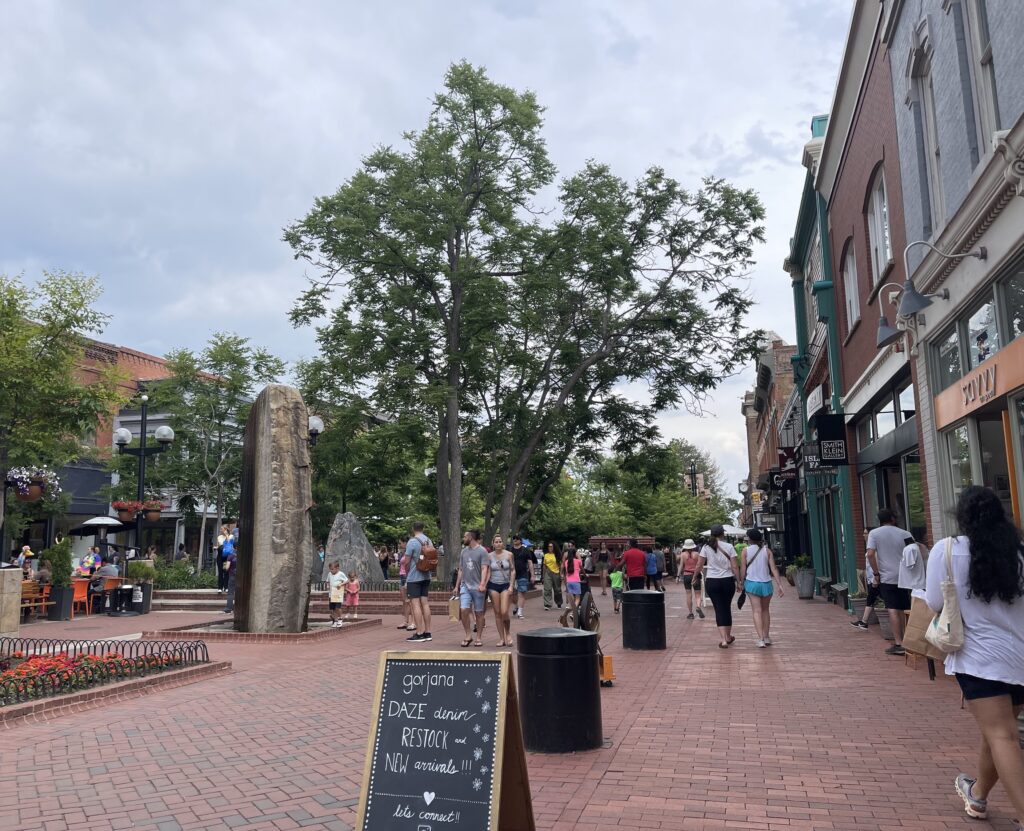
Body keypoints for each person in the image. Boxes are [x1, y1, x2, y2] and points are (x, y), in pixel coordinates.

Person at [925, 486, 1024, 827]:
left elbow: (936, 604)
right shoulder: (1019, 553)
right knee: (998, 732)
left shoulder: (948, 550)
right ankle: (978, 794)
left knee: (1002, 736)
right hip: (1019, 658)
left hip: (980, 659)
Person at [866, 508, 914, 656]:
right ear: (893, 518)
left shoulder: (874, 533)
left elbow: (870, 554)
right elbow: (914, 550)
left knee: (892, 608)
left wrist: (876, 573)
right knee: (905, 608)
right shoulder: (905, 533)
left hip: (887, 576)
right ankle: (909, 640)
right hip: (905, 575)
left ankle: (899, 643)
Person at [738, 528, 784, 648]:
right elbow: (773, 568)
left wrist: (740, 582)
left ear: (749, 539)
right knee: (765, 610)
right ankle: (767, 636)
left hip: (752, 583)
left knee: (756, 611)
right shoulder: (767, 551)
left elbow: (743, 568)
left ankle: (761, 639)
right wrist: (779, 584)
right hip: (766, 583)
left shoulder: (745, 551)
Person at [694, 525, 739, 648]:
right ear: (722, 534)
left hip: (712, 581)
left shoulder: (706, 547)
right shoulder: (729, 547)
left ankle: (724, 639)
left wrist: (694, 577)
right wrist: (739, 581)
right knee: (726, 607)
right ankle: (728, 636)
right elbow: (735, 566)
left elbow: (699, 564)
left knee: (718, 608)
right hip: (727, 580)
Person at [455, 530, 488, 647]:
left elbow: (485, 568)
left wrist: (482, 583)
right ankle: (468, 635)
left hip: (478, 587)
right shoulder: (464, 552)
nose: (463, 538)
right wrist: (457, 585)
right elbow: (461, 569)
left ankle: (478, 637)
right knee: (464, 609)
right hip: (465, 586)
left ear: (471, 537)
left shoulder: (482, 551)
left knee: (479, 613)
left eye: (465, 536)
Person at [402, 521, 434, 642]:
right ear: (423, 528)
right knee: (425, 603)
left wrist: (406, 573)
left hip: (414, 577)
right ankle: (428, 631)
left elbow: (407, 561)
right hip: (427, 575)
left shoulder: (412, 541)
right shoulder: (428, 540)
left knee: (415, 604)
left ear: (413, 528)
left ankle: (419, 632)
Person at [486, 535, 514, 647]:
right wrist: (484, 584)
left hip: (505, 585)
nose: (498, 543)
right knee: (497, 613)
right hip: (493, 585)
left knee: (504, 612)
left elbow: (513, 570)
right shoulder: (489, 556)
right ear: (493, 544)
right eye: (496, 542)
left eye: (500, 541)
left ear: (503, 543)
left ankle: (508, 633)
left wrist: (511, 585)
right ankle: (501, 638)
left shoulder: (509, 554)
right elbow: (487, 571)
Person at [677, 539, 705, 620]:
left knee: (688, 595)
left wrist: (678, 576)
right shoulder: (697, 554)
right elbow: (700, 566)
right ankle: (698, 607)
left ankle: (690, 613)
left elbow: (681, 566)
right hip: (695, 575)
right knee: (698, 594)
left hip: (686, 576)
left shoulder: (682, 555)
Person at [850, 558, 879, 630]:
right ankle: (864, 621)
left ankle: (864, 621)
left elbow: (877, 564)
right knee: (871, 599)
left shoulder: (874, 551)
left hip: (875, 580)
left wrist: (875, 579)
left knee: (871, 599)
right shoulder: (871, 550)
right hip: (872, 580)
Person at [511, 535, 532, 620]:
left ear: (520, 540)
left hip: (523, 574)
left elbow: (530, 562)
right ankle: (516, 606)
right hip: (512, 575)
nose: (514, 541)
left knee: (521, 593)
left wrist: (533, 575)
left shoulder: (525, 550)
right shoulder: (510, 550)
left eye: (516, 539)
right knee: (513, 594)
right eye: (513, 539)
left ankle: (520, 612)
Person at [396, 536, 414, 632]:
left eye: (401, 543)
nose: (400, 545)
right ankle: (406, 621)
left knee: (410, 601)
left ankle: (413, 622)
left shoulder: (410, 552)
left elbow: (411, 566)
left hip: (408, 577)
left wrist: (408, 580)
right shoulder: (403, 553)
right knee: (404, 601)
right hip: (402, 576)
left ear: (406, 543)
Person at [562, 546, 583, 615]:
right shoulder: (577, 561)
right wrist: (578, 555)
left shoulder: (566, 562)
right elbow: (581, 566)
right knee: (577, 599)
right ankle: (572, 612)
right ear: (575, 554)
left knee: (572, 599)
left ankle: (570, 609)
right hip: (576, 581)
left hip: (569, 582)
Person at [541, 541, 563, 610]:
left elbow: (561, 565)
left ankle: (559, 602)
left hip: (556, 573)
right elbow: (544, 566)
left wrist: (561, 574)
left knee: (557, 590)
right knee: (547, 589)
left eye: (551, 546)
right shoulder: (546, 555)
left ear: (554, 547)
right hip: (548, 572)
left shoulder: (557, 555)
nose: (549, 548)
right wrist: (543, 576)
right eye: (549, 546)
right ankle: (547, 604)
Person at [327, 561, 347, 627]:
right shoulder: (329, 574)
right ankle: (335, 620)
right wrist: (327, 586)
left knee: (338, 607)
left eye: (332, 569)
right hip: (331, 593)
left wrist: (341, 584)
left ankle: (340, 619)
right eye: (330, 569)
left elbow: (347, 580)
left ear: (337, 568)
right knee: (333, 608)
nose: (331, 570)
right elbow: (328, 581)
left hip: (338, 593)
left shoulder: (341, 574)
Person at [221, 546, 238, 613]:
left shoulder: (231, 556)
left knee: (231, 592)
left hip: (232, 576)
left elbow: (227, 567)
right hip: (241, 576)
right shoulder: (244, 556)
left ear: (234, 548)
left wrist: (225, 568)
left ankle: (229, 608)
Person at [216, 525, 229, 593]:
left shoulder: (230, 536)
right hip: (220, 556)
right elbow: (219, 546)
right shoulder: (219, 537)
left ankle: (226, 586)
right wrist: (216, 547)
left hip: (226, 557)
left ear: (225, 529)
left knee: (226, 572)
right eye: (221, 529)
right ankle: (220, 587)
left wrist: (226, 535)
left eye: (222, 529)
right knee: (220, 572)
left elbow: (229, 544)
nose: (221, 530)